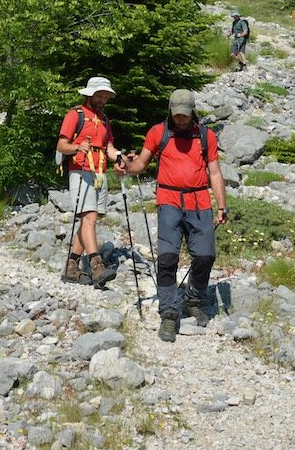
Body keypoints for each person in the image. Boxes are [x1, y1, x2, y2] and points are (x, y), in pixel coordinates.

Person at [117, 89, 227, 342]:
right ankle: (168, 312)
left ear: (192, 112)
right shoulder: (159, 132)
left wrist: (222, 205)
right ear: (170, 111)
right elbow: (141, 164)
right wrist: (126, 167)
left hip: (199, 201)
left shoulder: (206, 136)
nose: (181, 119)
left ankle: (193, 299)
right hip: (168, 201)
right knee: (167, 258)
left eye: (185, 115)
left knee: (206, 255)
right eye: (176, 115)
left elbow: (216, 172)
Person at [56, 75, 123, 287]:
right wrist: (77, 147)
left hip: (99, 172)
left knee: (90, 219)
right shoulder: (75, 115)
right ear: (90, 95)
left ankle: (72, 266)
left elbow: (109, 148)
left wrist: (120, 158)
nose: (103, 100)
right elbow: (61, 145)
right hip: (80, 169)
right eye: (100, 95)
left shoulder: (105, 120)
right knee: (90, 217)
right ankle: (96, 266)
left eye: (106, 96)